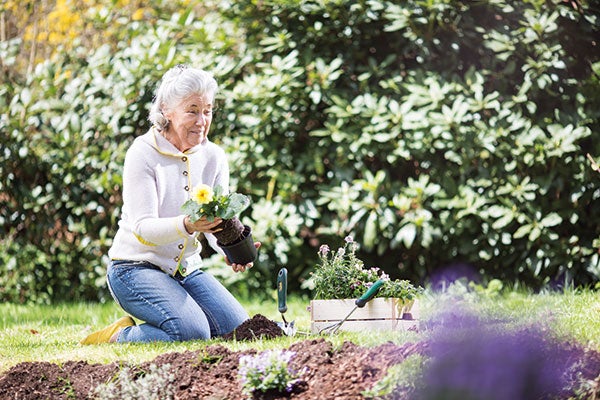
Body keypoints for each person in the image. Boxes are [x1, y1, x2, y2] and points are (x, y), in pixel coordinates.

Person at [81, 65, 260, 344]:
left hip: (186, 270)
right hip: (134, 268)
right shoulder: (143, 153)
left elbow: (217, 219)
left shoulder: (213, 156)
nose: (202, 120)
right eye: (192, 110)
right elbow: (143, 228)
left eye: (208, 111)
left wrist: (228, 247)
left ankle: (177, 317)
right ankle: (119, 336)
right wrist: (187, 225)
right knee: (192, 333)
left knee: (238, 330)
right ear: (166, 109)